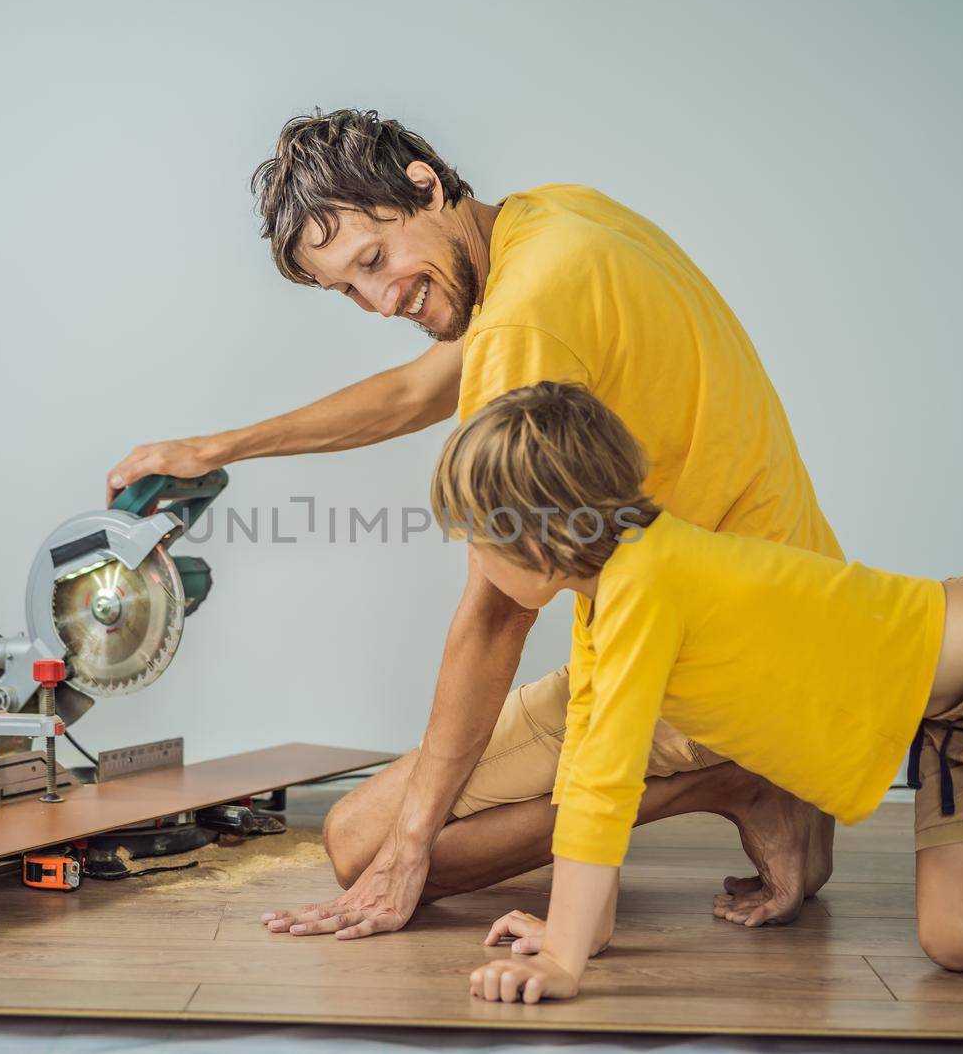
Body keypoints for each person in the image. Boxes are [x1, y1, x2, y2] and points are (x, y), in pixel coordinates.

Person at [107, 108, 840, 936]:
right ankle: (748, 766)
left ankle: (734, 778)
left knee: (359, 838)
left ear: (423, 181)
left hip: (718, 659)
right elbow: (424, 387)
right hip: (791, 604)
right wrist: (222, 446)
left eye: (376, 260)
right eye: (348, 288)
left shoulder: (527, 320)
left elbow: (496, 614)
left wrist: (409, 847)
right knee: (399, 821)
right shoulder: (556, 222)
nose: (379, 302)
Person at [432, 380, 963, 1004]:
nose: (471, 557)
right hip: (952, 715)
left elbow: (604, 781)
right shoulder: (606, 591)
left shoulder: (647, 583)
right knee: (961, 944)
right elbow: (594, 762)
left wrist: (565, 958)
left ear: (531, 540)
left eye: (474, 537)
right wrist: (583, 928)